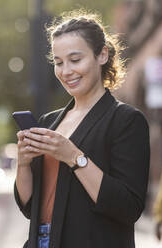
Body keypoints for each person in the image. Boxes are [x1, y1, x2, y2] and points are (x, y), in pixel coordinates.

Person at [14, 9, 150, 248]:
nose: (66, 71)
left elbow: (128, 208)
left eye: (75, 60)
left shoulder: (126, 120)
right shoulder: (49, 121)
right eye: (58, 63)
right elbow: (30, 206)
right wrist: (24, 163)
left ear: (102, 55)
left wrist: (73, 157)